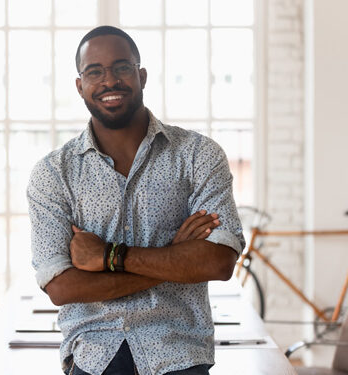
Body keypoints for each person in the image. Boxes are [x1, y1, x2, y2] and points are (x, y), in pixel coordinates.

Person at [27, 25, 245, 375]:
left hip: (179, 354)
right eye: (94, 71)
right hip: (93, 354)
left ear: (141, 75)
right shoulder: (54, 173)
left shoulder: (197, 154)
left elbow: (217, 263)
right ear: (80, 85)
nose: (109, 80)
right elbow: (62, 287)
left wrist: (109, 256)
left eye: (121, 67)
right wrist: (175, 258)